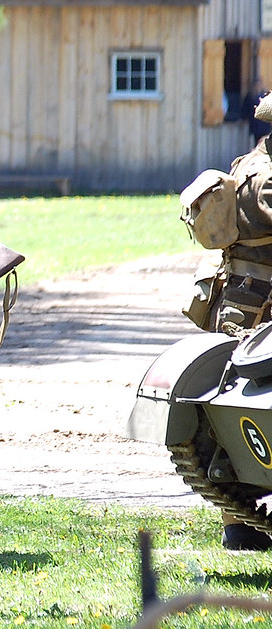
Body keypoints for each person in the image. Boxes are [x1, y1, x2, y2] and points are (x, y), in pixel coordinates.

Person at [197, 91, 272, 551]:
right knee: (250, 404)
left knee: (237, 405)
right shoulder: (266, 179)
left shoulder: (247, 162)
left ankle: (239, 519)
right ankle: (240, 520)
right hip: (261, 303)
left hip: (240, 301)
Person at [243, 80, 272, 146]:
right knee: (259, 143)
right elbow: (245, 109)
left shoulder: (264, 96)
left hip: (264, 125)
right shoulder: (251, 96)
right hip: (257, 125)